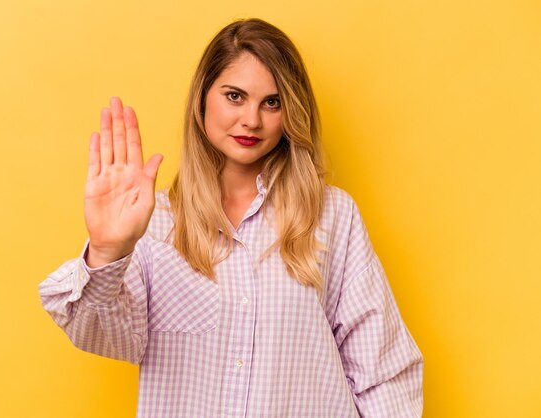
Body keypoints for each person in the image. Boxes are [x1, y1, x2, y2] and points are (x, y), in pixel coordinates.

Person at [39, 18, 423, 417]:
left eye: (272, 102)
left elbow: (384, 371)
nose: (252, 120)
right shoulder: (152, 224)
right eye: (235, 96)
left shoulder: (332, 216)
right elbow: (102, 335)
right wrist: (106, 251)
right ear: (203, 98)